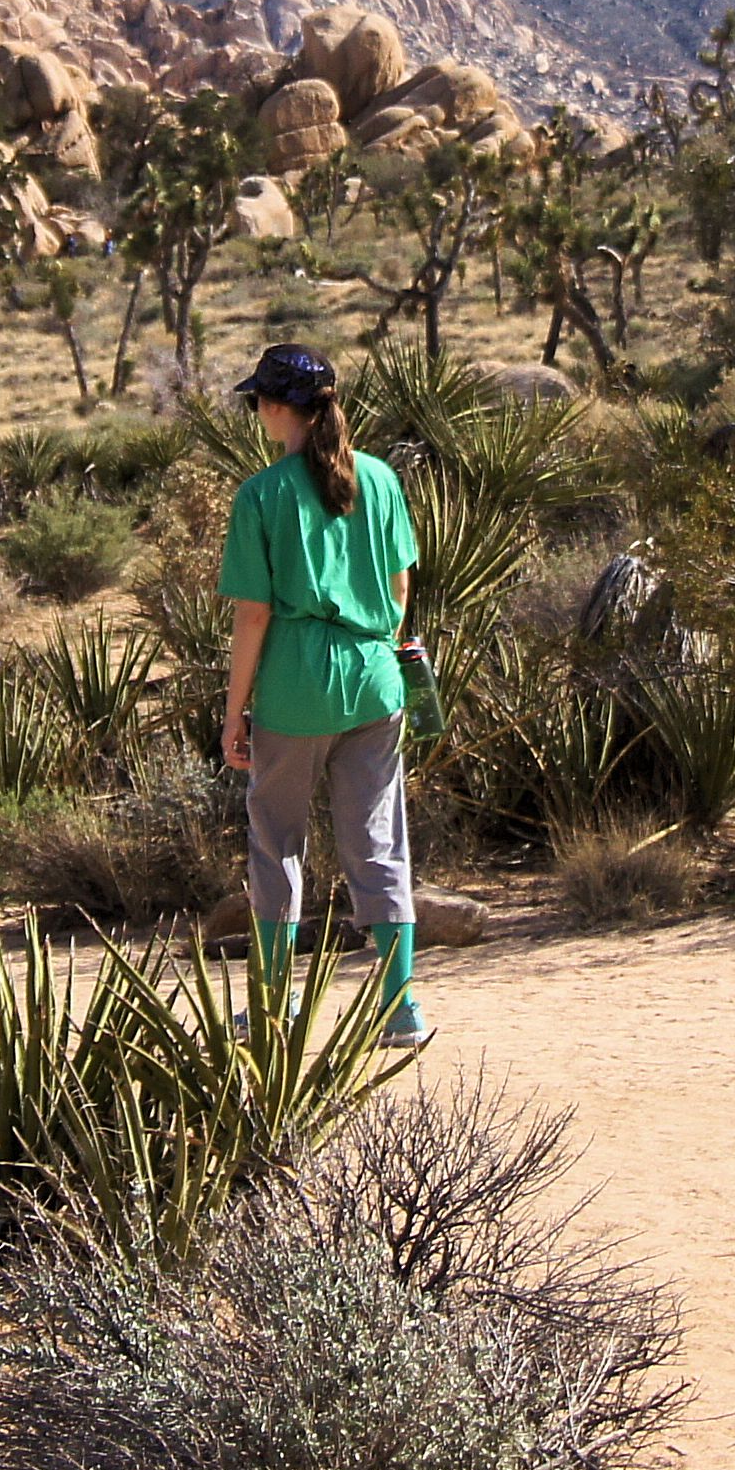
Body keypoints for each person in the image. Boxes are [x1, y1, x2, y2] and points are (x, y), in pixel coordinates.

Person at [216, 343, 432, 1049]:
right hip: (375, 678)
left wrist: (234, 713)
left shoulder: (262, 495)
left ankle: (273, 1010)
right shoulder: (379, 478)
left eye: (260, 403)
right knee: (377, 839)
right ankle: (398, 1005)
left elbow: (253, 616)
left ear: (278, 410)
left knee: (277, 842)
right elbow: (400, 589)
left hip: (296, 684)